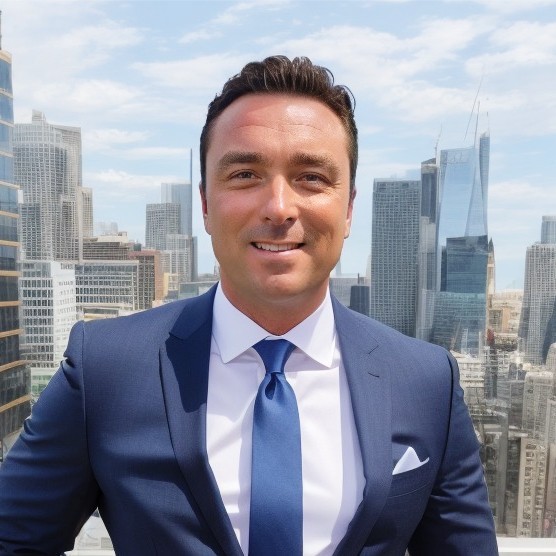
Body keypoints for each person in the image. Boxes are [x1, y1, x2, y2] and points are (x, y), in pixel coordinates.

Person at [0, 55, 498, 555]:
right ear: (205, 205)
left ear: (348, 209)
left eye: (312, 177)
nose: (279, 208)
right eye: (245, 174)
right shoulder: (106, 369)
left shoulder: (426, 381)